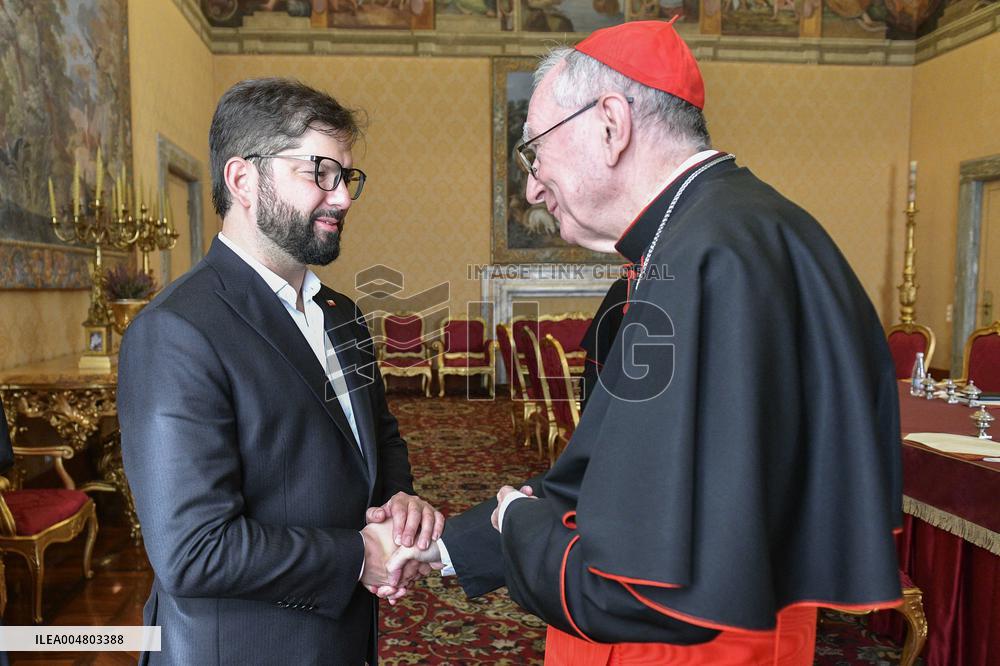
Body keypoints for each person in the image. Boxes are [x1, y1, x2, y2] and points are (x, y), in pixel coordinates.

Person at [385, 19, 903, 664]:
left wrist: (515, 521)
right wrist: (450, 543)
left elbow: (633, 586)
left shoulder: (706, 259)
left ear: (611, 125)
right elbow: (610, 473)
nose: (531, 187)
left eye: (535, 152)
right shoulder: (729, 232)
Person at [119, 77, 442, 665]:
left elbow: (378, 434)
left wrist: (400, 502)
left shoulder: (342, 314)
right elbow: (194, 551)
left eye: (346, 176)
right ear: (243, 179)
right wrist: (356, 558)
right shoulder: (176, 331)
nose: (341, 196)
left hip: (341, 638)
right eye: (318, 172)